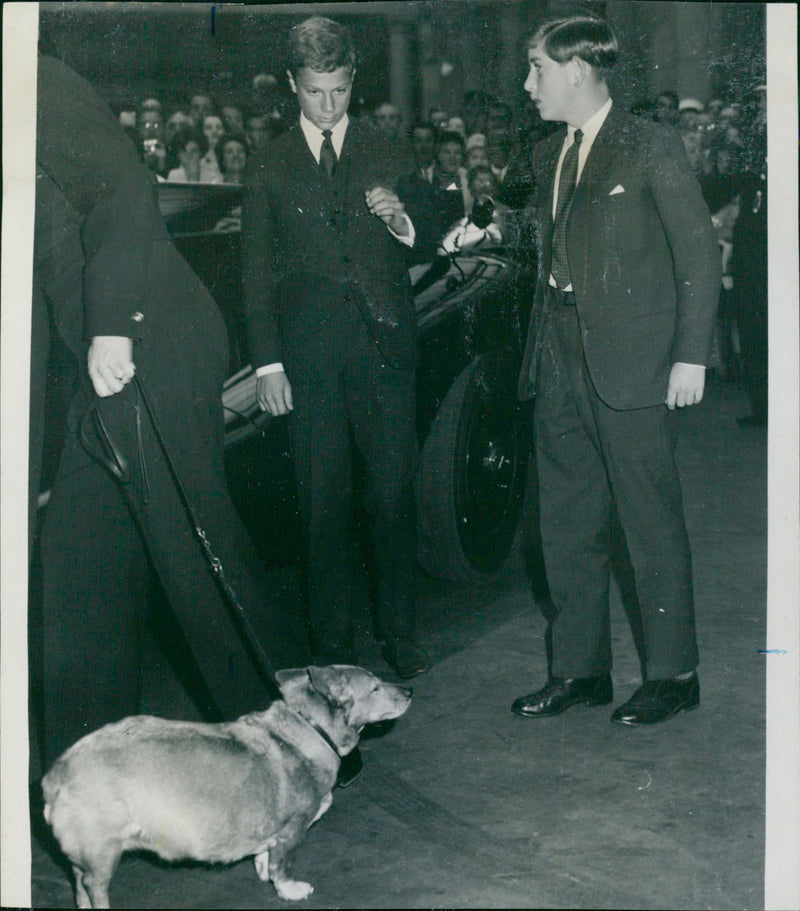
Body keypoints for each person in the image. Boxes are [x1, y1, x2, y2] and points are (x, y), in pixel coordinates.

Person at [31, 56, 309, 769]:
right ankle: (89, 776)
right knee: (77, 561)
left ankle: (303, 746)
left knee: (196, 557)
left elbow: (123, 186)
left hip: (151, 334)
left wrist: (114, 324)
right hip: (102, 364)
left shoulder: (30, 76)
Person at [512, 16, 721, 726]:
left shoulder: (649, 144)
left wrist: (690, 355)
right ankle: (579, 669)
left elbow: (698, 257)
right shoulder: (549, 155)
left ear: (575, 70)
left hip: (633, 362)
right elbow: (549, 234)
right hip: (559, 354)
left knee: (648, 521)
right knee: (566, 519)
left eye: (536, 68)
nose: (528, 83)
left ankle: (674, 672)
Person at [241, 17, 428, 685]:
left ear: (354, 82)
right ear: (293, 84)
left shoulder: (389, 149)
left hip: (383, 354)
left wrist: (404, 221)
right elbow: (256, 273)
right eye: (316, 92)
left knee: (393, 497)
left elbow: (431, 231)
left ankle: (402, 637)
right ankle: (332, 649)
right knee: (321, 507)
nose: (328, 105)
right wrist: (268, 363)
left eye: (341, 91)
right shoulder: (266, 162)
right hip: (309, 359)